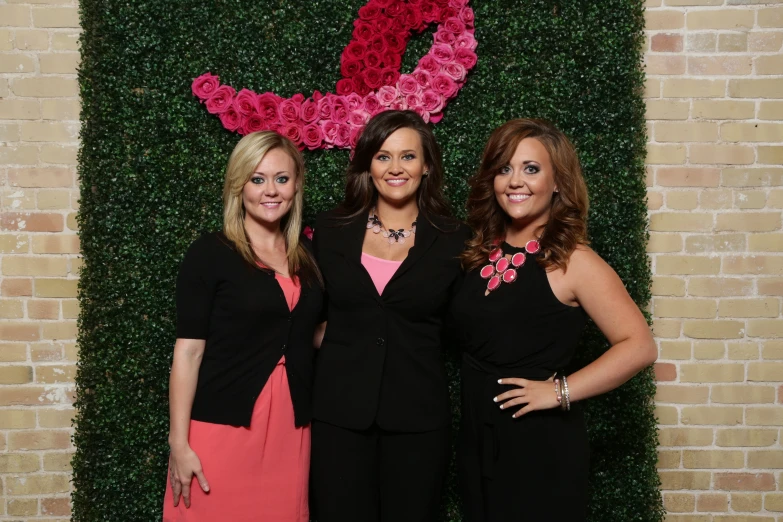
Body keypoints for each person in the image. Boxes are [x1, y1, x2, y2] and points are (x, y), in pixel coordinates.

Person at [452, 118, 656, 521]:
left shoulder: (574, 261)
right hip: (478, 437)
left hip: (538, 443)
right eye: (504, 168)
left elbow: (640, 346)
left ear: (557, 182)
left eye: (531, 169)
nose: (515, 181)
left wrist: (559, 391)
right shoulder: (480, 253)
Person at [310, 110, 471, 522]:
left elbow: (472, 319)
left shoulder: (455, 239)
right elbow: (303, 307)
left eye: (408, 157)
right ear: (367, 165)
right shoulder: (330, 229)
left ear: (427, 166)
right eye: (383, 156)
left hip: (418, 416)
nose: (395, 168)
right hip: (339, 414)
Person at [162, 131, 323, 522]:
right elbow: (189, 351)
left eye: (281, 179)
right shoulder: (210, 254)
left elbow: (314, 334)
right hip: (222, 426)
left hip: (291, 427)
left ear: (296, 185)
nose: (271, 191)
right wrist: (179, 444)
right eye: (257, 179)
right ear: (239, 186)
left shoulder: (309, 257)